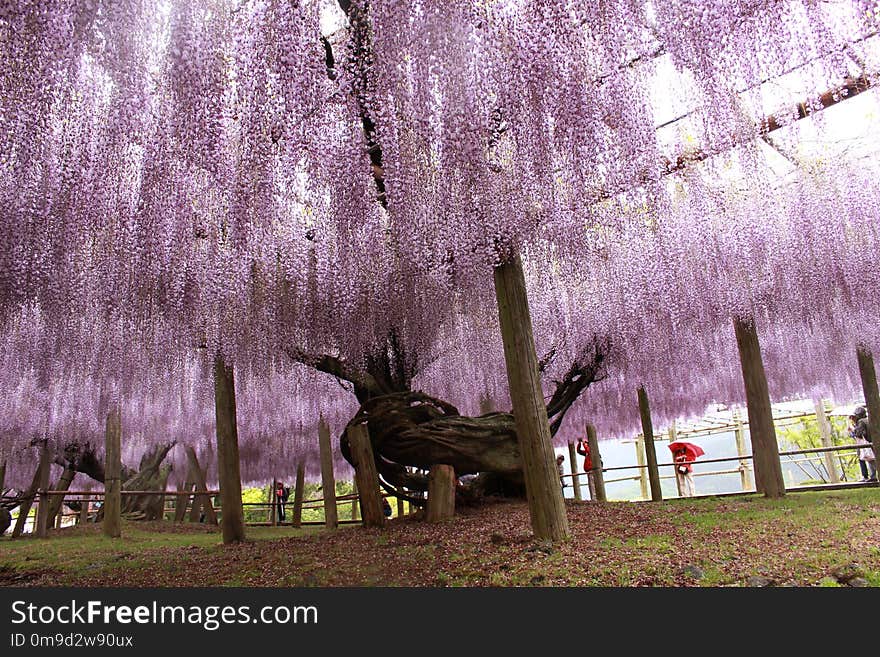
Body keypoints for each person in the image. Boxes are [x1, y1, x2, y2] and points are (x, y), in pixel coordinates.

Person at [850, 406, 877, 482]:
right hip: (871, 442)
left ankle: (872, 477)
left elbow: (858, 434)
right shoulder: (867, 420)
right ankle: (873, 477)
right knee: (871, 459)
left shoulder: (861, 421)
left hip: (867, 443)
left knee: (872, 460)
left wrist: (852, 429)